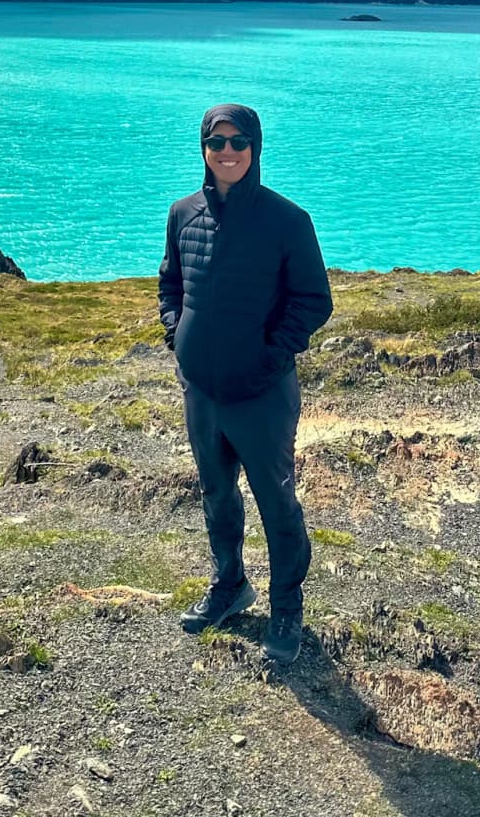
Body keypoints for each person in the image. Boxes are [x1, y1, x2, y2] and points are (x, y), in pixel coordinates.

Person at [157, 102, 333, 662]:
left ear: (255, 148)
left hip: (261, 394)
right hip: (202, 392)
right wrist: (175, 335)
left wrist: (268, 359)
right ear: (203, 148)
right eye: (217, 142)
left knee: (276, 504)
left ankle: (287, 609)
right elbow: (170, 285)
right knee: (215, 495)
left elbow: (313, 302)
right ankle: (230, 584)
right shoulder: (182, 214)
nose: (227, 152)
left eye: (238, 142)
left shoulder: (287, 221)